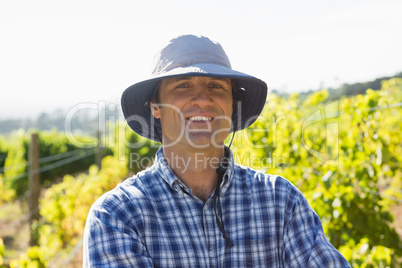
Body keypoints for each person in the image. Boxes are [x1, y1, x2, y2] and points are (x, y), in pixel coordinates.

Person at [83, 34, 350, 267]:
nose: (203, 99)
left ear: (232, 105)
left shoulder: (281, 201)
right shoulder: (117, 215)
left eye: (217, 86)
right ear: (155, 106)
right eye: (183, 85)